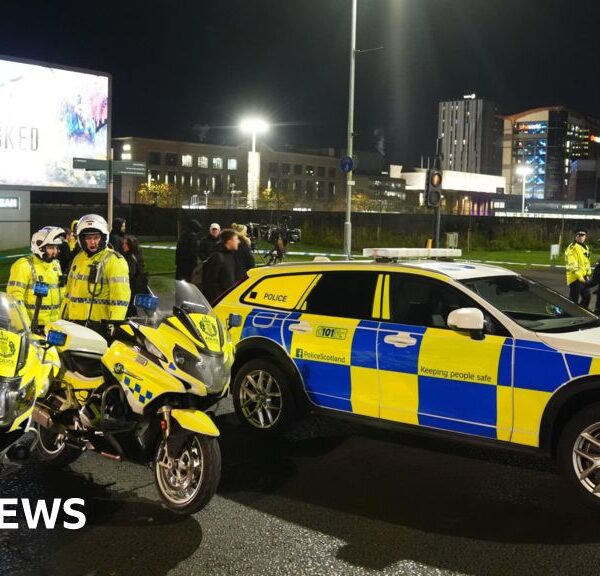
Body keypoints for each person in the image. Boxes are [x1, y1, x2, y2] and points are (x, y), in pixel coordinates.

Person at [61, 214, 131, 326]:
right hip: (73, 323)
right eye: (88, 238)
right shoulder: (78, 258)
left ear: (103, 237)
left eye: (96, 238)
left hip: (98, 325)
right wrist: (63, 318)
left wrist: (113, 325)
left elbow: (120, 299)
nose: (92, 242)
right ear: (82, 239)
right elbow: (69, 294)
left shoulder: (114, 260)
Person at [7, 227, 66, 330]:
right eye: (51, 247)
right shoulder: (23, 265)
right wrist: (26, 326)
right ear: (39, 246)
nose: (55, 252)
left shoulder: (55, 265)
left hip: (54, 327)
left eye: (56, 247)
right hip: (32, 326)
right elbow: (15, 299)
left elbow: (62, 293)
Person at [202, 229, 240, 303]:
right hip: (219, 301)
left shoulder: (231, 256)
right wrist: (218, 299)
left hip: (227, 299)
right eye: (236, 239)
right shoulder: (217, 256)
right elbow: (210, 282)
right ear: (229, 241)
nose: (238, 241)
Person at [121, 235, 149, 317]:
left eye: (126, 243)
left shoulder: (130, 257)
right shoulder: (135, 255)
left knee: (129, 309)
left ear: (131, 245)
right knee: (131, 308)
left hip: (130, 287)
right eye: (123, 243)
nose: (123, 245)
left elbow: (130, 273)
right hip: (134, 287)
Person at [565, 229, 592, 308]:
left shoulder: (586, 247)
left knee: (587, 297)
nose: (580, 237)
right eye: (578, 235)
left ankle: (582, 314)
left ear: (585, 237)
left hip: (584, 277)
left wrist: (588, 274)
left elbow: (586, 261)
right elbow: (572, 264)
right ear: (575, 236)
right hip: (575, 278)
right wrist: (579, 277)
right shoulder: (572, 247)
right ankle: (570, 316)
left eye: (582, 235)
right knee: (573, 300)